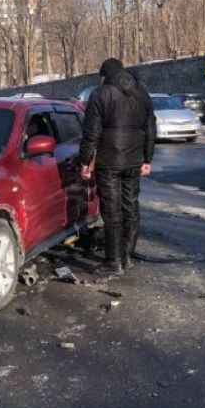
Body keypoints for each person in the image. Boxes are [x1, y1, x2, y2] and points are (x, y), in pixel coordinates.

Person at [79, 58, 156, 277]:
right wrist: (147, 159)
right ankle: (127, 256)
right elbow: (151, 129)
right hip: (134, 161)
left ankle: (113, 261)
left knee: (111, 211)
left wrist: (85, 161)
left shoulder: (100, 95)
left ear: (105, 75)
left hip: (109, 162)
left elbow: (91, 133)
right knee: (131, 207)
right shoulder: (142, 94)